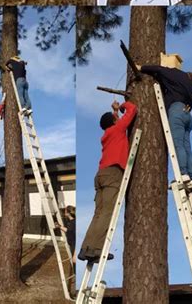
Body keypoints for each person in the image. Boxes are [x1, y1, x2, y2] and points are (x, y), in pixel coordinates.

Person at [78, 99, 137, 262]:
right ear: (113, 121)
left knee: (98, 213)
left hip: (101, 174)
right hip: (113, 173)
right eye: (115, 117)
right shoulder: (118, 129)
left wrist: (115, 112)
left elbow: (116, 122)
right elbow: (132, 110)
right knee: (107, 213)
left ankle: (86, 248)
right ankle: (96, 249)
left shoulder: (108, 134)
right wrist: (123, 105)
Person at [139, 63, 192, 189]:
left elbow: (159, 69)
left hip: (176, 111)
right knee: (186, 146)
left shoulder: (177, 75)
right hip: (187, 116)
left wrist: (142, 68)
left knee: (178, 144)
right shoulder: (191, 91)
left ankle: (183, 174)